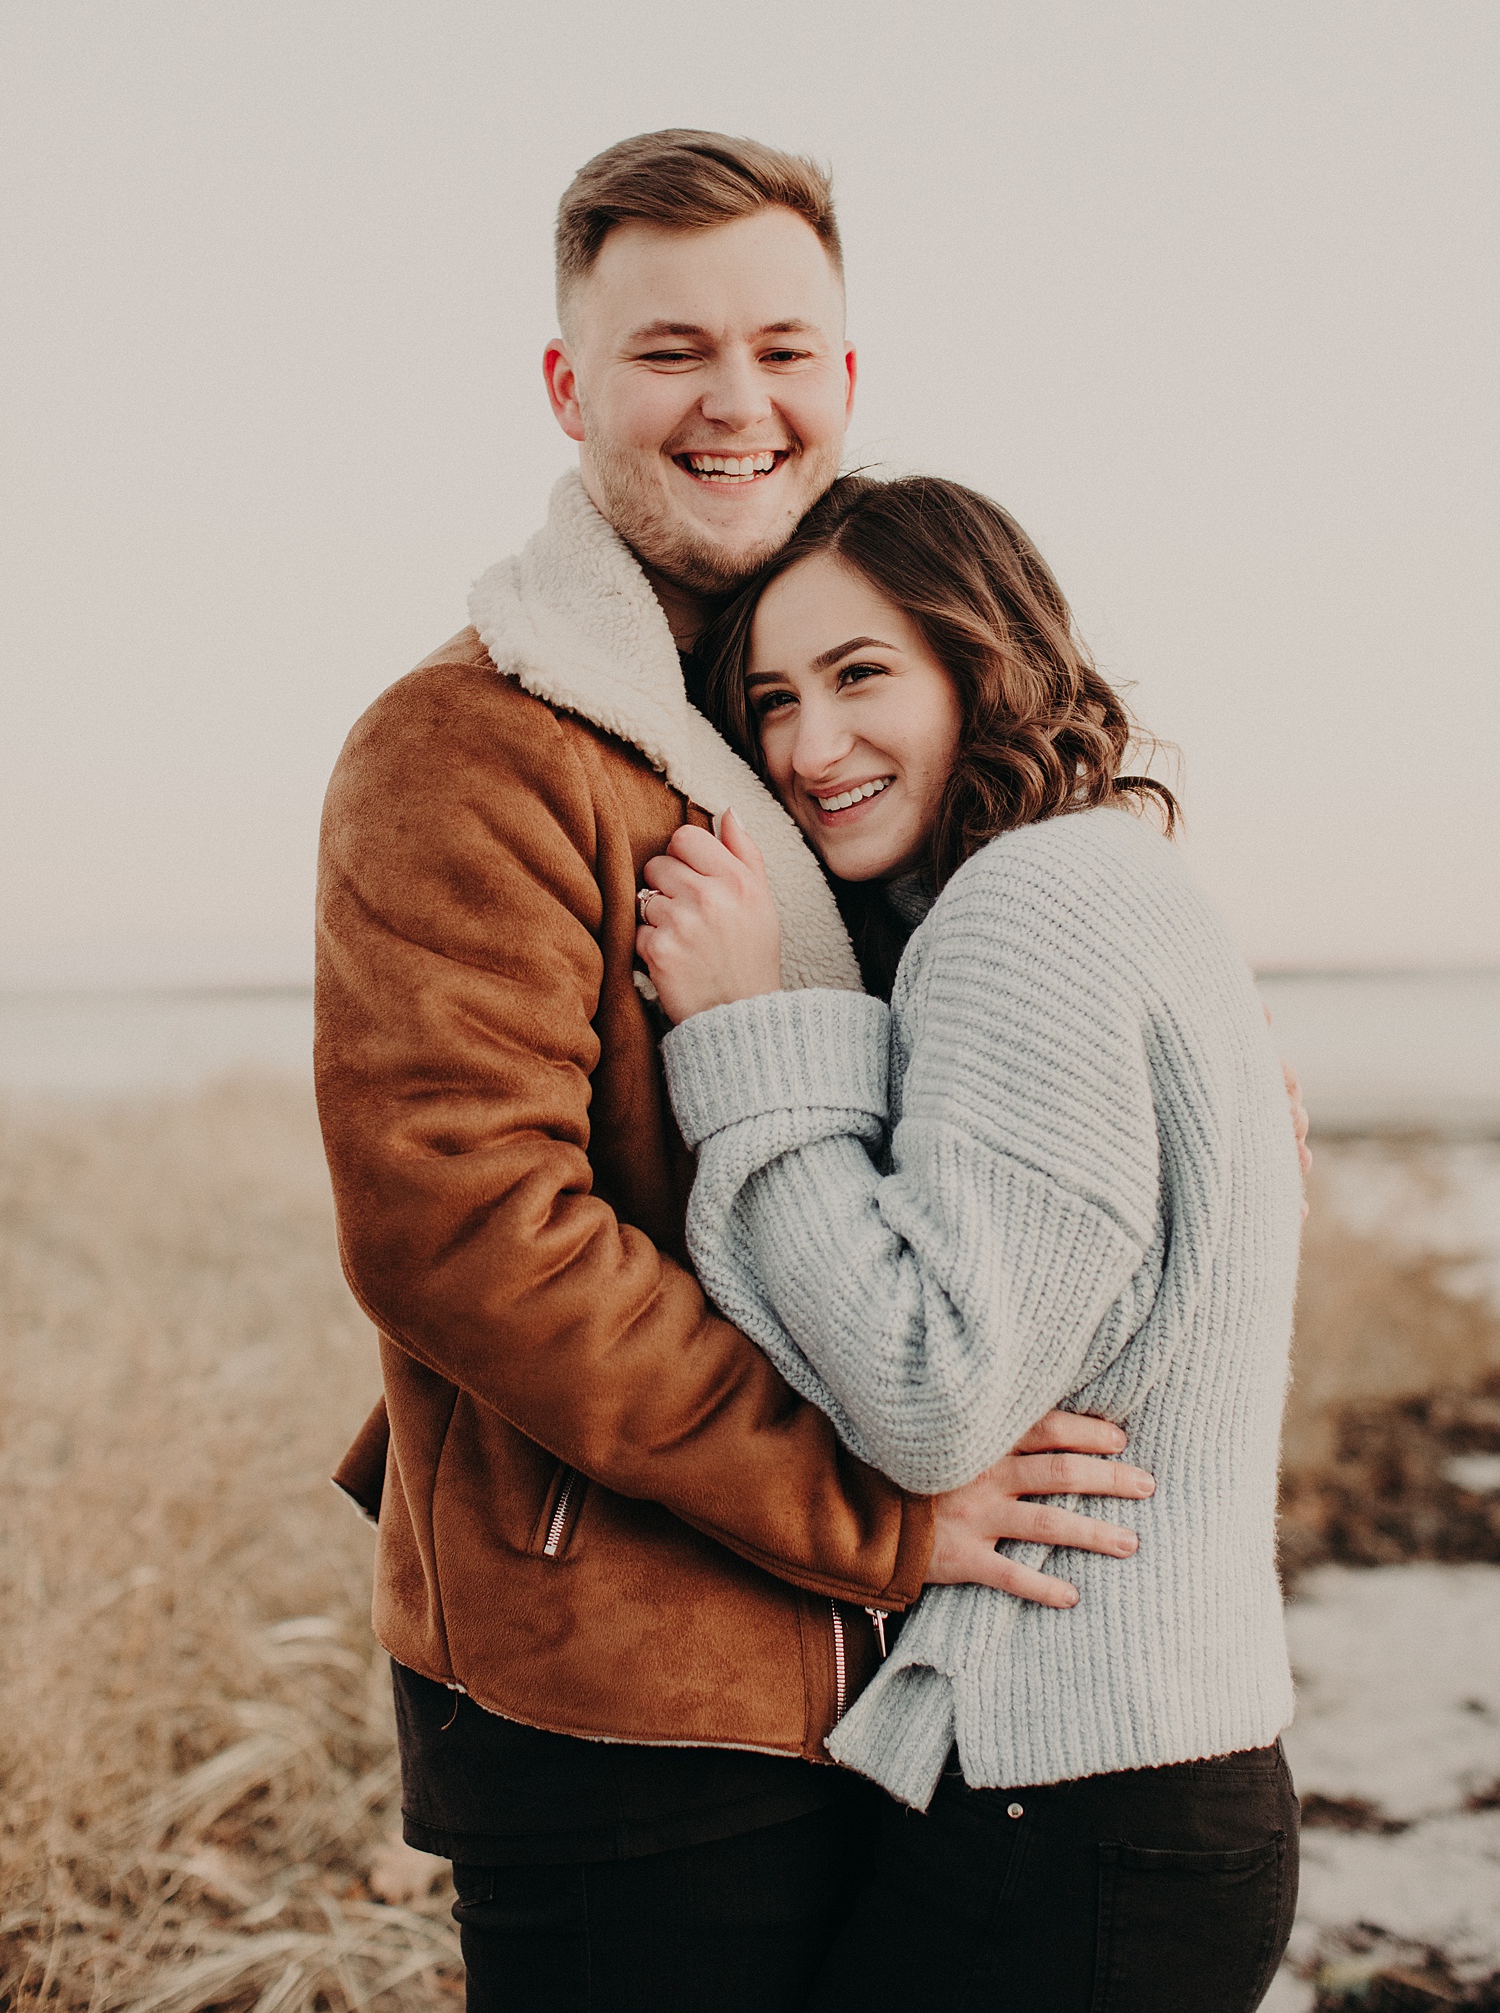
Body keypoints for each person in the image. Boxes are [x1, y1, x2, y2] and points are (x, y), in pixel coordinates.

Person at [314, 133, 1171, 2013]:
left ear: (846, 379)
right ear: (568, 385)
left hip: (895, 1672)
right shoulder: (469, 746)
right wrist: (876, 1509)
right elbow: (469, 1232)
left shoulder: (823, 719)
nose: (737, 400)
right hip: (621, 1697)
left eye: (786, 346)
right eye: (670, 348)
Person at [636, 474, 1305, 2012]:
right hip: (1142, 1781)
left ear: (983, 659)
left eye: (864, 674)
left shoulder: (1024, 907)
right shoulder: (1115, 878)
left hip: (1072, 1803)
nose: (811, 748)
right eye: (774, 698)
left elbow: (931, 1384)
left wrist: (746, 1034)